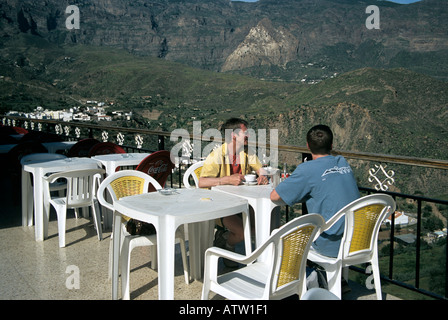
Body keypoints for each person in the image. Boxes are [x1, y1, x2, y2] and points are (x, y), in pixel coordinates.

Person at [270, 124, 360, 258]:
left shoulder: (307, 169)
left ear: (308, 146)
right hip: (359, 241)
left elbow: (274, 196)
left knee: (280, 238)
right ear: (331, 145)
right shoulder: (342, 162)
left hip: (331, 245)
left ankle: (305, 276)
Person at [199, 118, 268, 264]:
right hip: (219, 205)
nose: (249, 135)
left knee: (261, 224)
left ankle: (262, 259)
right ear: (234, 135)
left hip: (242, 202)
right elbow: (201, 182)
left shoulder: (247, 152)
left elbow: (260, 168)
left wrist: (263, 175)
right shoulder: (216, 155)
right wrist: (226, 180)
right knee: (244, 233)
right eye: (245, 132)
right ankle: (227, 243)